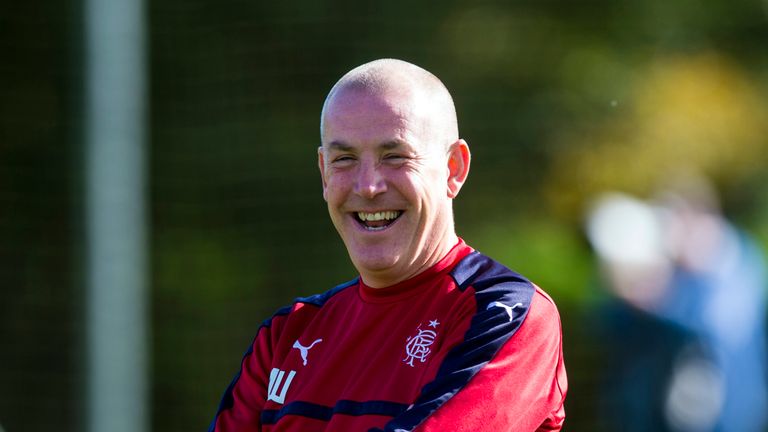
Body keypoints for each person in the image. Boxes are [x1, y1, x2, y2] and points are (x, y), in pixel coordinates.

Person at [208, 58, 567, 432]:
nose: (368, 186)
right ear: (323, 174)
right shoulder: (287, 336)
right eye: (344, 159)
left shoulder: (505, 315)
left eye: (395, 156)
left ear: (454, 168)